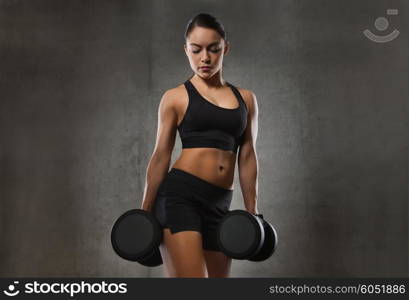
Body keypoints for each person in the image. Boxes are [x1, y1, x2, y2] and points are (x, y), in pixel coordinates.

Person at [140, 12, 259, 278]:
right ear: (186, 50)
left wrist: (253, 211)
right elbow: (160, 156)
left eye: (213, 49)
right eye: (196, 50)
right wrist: (145, 212)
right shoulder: (175, 98)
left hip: (220, 204)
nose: (204, 58)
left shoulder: (246, 99)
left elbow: (248, 155)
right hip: (180, 197)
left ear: (225, 49)